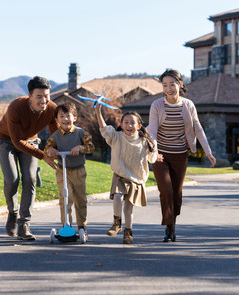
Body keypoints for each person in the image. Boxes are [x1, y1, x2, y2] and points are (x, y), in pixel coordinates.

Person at [147, 69, 216, 243]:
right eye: (165, 85)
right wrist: (154, 152)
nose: (168, 89)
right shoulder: (156, 105)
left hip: (180, 154)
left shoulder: (188, 105)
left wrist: (208, 151)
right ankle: (169, 229)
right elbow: (152, 131)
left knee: (176, 194)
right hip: (160, 154)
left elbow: (198, 128)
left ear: (180, 84)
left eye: (172, 84)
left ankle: (172, 226)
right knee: (166, 190)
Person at [0, 76, 59, 241]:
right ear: (29, 96)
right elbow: (16, 141)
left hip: (31, 141)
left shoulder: (52, 109)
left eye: (47, 96)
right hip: (6, 141)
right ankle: (13, 211)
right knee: (12, 179)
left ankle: (24, 225)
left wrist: (56, 148)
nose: (44, 101)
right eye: (39, 97)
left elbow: (56, 135)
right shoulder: (16, 107)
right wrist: (43, 155)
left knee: (30, 179)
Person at [95, 105, 158, 244]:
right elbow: (104, 129)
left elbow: (152, 157)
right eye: (126, 122)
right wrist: (98, 112)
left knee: (128, 208)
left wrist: (156, 155)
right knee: (117, 197)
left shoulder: (144, 141)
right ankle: (116, 223)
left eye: (132, 122)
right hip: (120, 175)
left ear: (139, 125)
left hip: (136, 178)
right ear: (121, 125)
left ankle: (128, 232)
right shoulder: (116, 137)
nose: (129, 125)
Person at [44, 102, 95, 238]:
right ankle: (66, 226)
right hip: (63, 170)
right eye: (61, 116)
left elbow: (90, 147)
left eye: (68, 116)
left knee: (80, 200)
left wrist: (80, 148)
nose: (65, 119)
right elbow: (47, 149)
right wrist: (51, 150)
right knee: (66, 198)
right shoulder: (55, 136)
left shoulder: (81, 133)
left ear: (75, 117)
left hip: (78, 171)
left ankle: (82, 226)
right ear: (57, 120)